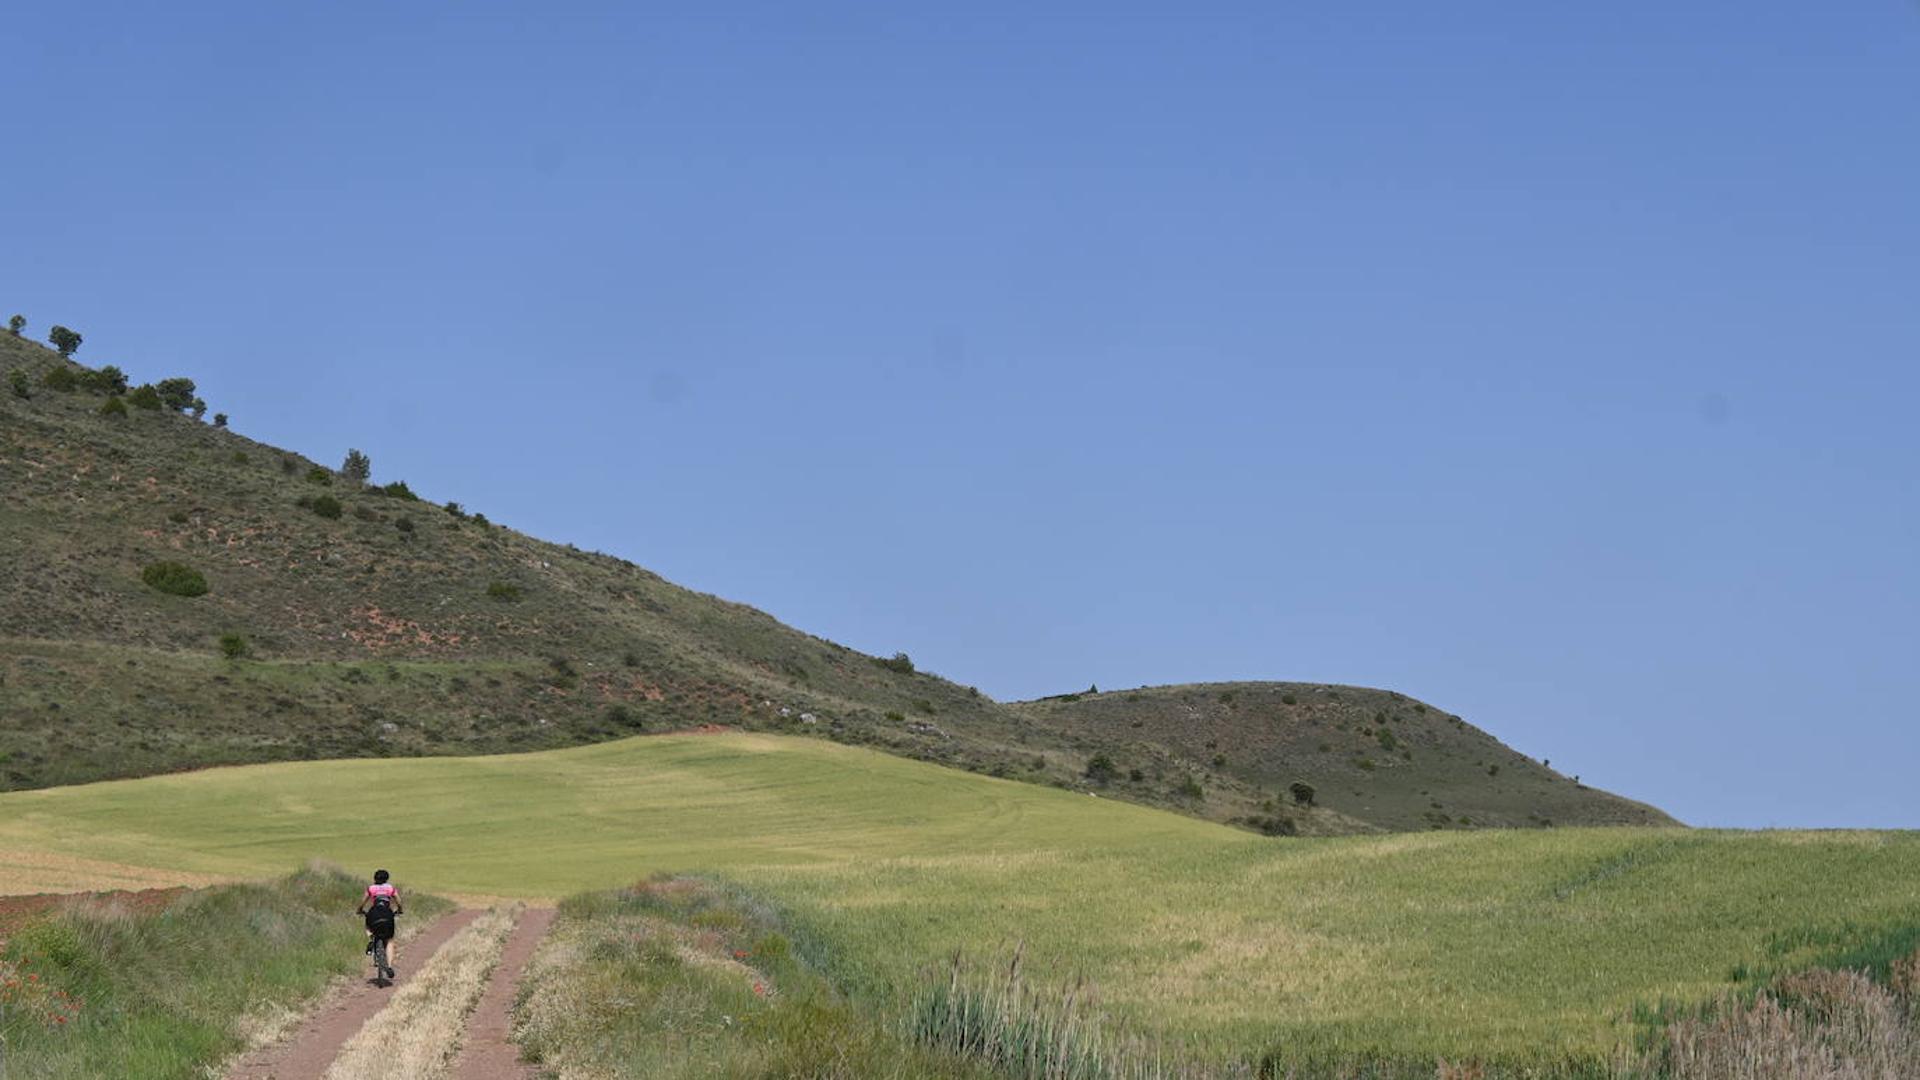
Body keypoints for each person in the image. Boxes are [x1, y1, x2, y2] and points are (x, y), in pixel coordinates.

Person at [355, 869, 404, 981]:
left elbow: (363, 902)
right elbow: (398, 900)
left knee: (368, 925)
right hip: (387, 914)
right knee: (390, 940)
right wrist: (400, 909)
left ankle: (372, 939)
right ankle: (390, 966)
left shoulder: (371, 888)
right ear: (387, 879)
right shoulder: (390, 888)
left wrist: (359, 910)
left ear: (375, 878)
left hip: (374, 914)